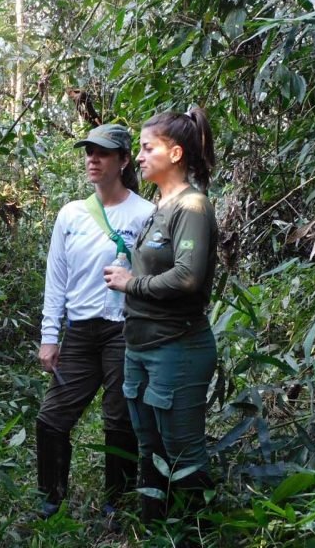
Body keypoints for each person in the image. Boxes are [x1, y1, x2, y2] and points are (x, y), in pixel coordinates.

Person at [103, 108, 218, 524]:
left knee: (182, 451)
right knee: (148, 445)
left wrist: (131, 283)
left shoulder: (192, 206)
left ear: (175, 153)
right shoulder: (161, 206)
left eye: (148, 147)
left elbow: (187, 278)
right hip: (142, 346)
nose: (140, 156)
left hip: (178, 347)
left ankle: (195, 533)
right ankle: (155, 528)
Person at [36, 124, 154, 522]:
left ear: (123, 160)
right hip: (80, 331)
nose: (93, 159)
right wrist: (49, 336)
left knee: (119, 419)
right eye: (89, 151)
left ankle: (116, 505)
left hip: (124, 329)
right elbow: (57, 277)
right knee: (52, 419)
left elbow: (156, 275)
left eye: (103, 152)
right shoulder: (71, 213)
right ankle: (50, 500)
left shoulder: (145, 214)